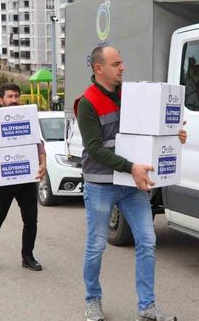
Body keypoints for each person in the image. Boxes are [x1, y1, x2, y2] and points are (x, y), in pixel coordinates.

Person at [76, 46, 187, 321]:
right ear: (98, 68)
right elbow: (95, 148)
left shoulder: (133, 95)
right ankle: (92, 301)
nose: (122, 67)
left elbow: (149, 131)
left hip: (132, 183)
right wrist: (131, 167)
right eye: (116, 63)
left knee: (148, 241)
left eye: (122, 62)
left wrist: (174, 135)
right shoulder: (87, 103)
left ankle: (147, 307)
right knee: (96, 245)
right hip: (101, 184)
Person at [0, 82, 47, 273]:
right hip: (2, 180)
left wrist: (43, 162)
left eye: (16, 96)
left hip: (26, 178)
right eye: (10, 97)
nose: (14, 100)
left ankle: (28, 257)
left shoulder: (28, 118)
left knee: (31, 220)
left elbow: (38, 142)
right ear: (1, 100)